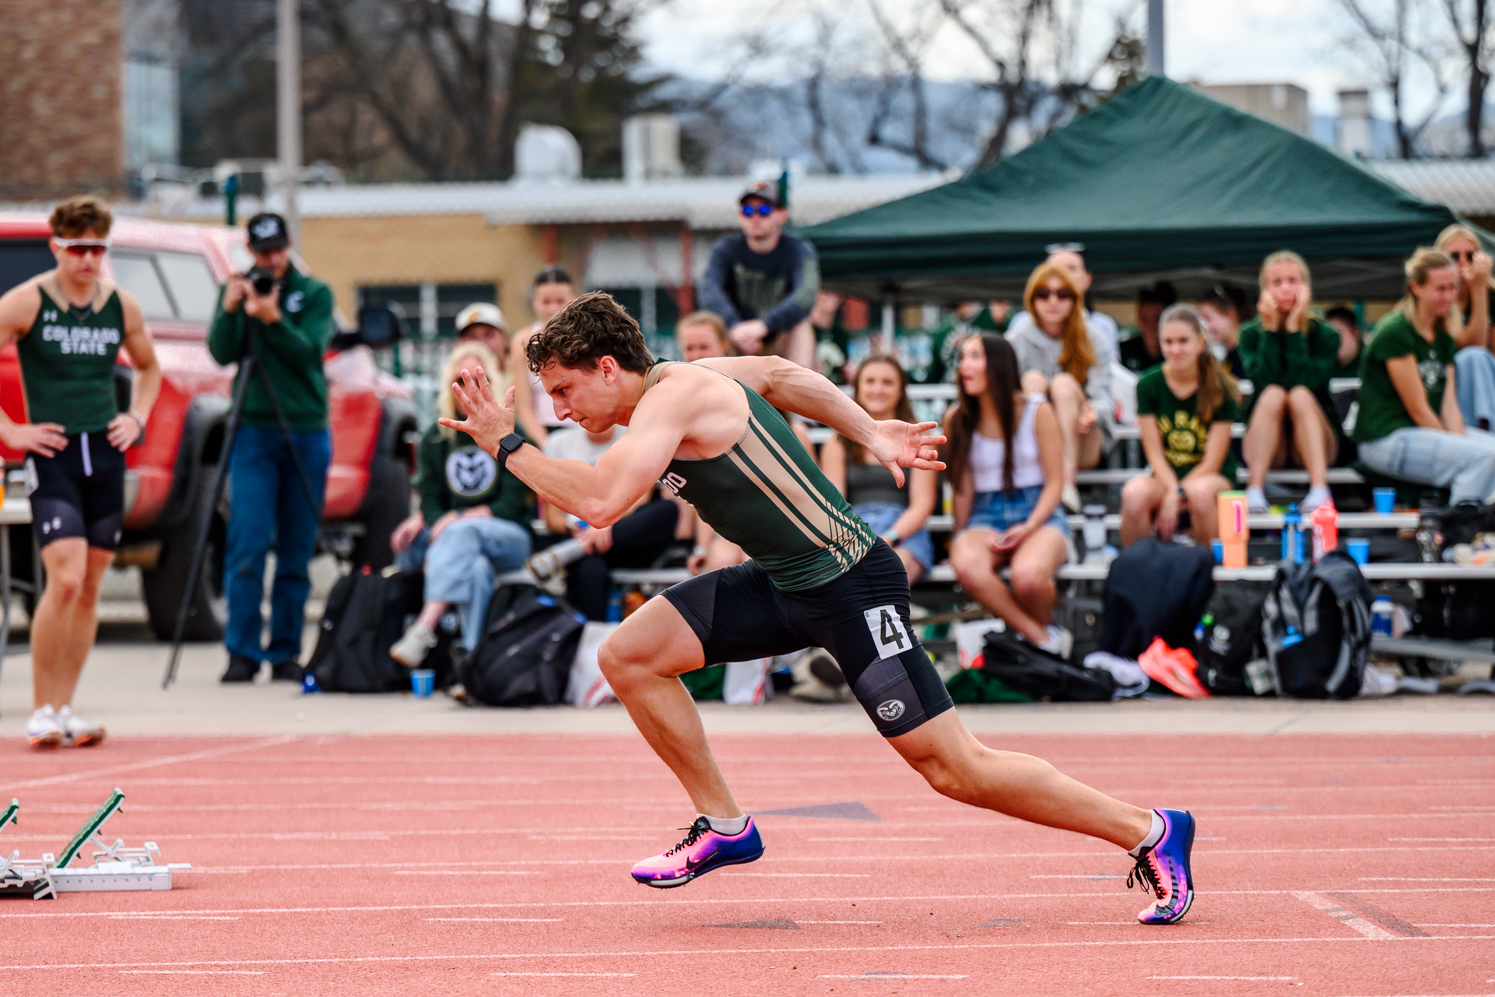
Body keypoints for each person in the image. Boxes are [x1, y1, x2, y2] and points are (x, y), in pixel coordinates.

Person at [442, 291, 1196, 925]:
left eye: (566, 390)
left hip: (849, 584)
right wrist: (868, 429)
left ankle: (1150, 829)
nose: (561, 408)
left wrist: (507, 445)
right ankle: (727, 825)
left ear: (609, 367)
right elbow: (776, 372)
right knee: (629, 655)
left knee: (954, 768)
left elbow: (602, 501)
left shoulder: (672, 398)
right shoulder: (686, 376)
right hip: (782, 582)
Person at [0, 195, 161, 748]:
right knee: (64, 578)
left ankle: (66, 707)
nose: (88, 260)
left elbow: (148, 366)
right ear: (57, 247)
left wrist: (136, 417)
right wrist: (12, 431)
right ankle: (40, 708)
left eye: (97, 248)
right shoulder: (26, 303)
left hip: (105, 453)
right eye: (78, 249)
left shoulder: (122, 306)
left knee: (91, 586)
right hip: (54, 453)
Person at [208, 212, 335, 684]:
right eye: (262, 252)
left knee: (296, 546)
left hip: (305, 428)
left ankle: (285, 650)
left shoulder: (315, 292)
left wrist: (275, 320)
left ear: (287, 247)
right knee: (248, 539)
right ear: (251, 252)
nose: (271, 260)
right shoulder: (242, 287)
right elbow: (222, 352)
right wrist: (230, 309)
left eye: (278, 250)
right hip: (254, 429)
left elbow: (308, 352)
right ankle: (241, 650)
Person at [388, 342, 532, 665]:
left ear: (489, 384)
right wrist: (445, 519)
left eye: (475, 380)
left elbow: (512, 503)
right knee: (476, 568)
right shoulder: (436, 437)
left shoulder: (511, 432)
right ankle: (471, 660)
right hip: (460, 544)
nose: (467, 389)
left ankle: (425, 626)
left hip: (510, 537)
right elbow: (430, 498)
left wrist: (460, 518)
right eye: (459, 379)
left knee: (460, 532)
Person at [945, 335, 1074, 657]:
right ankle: (1043, 642)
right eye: (963, 358)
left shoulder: (1037, 410)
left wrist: (1029, 527)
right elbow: (962, 490)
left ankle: (1028, 651)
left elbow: (1056, 483)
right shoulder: (956, 418)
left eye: (974, 357)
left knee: (1029, 576)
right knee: (967, 565)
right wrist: (960, 537)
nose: (964, 367)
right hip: (985, 512)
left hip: (1039, 510)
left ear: (999, 364)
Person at [1353, 247, 1495, 504]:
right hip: (1385, 438)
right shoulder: (1396, 331)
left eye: (1452, 288)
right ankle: (1459, 532)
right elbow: (1419, 409)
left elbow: (1449, 405)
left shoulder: (1442, 334)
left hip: (1421, 433)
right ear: (1416, 287)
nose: (1449, 296)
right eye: (1440, 289)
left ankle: (1483, 530)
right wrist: (1459, 450)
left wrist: (1459, 443)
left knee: (1488, 452)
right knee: (1482, 458)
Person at [1120, 306, 1241, 546]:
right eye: (1168, 342)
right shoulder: (1147, 384)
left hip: (1211, 476)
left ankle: (1209, 573)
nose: (1175, 349)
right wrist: (1174, 489)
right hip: (1166, 474)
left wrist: (1177, 494)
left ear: (1200, 342)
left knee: (1201, 494)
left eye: (1183, 341)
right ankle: (1138, 573)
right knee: (1134, 495)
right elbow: (1154, 454)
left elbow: (1213, 461)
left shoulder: (1221, 387)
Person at [542, 422, 682, 622]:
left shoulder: (635, 437)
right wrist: (575, 527)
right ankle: (591, 642)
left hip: (621, 533)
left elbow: (641, 497)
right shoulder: (558, 443)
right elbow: (552, 517)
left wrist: (606, 524)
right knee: (590, 568)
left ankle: (584, 545)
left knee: (666, 509)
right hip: (578, 535)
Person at [1006, 261, 1116, 512]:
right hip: (1033, 444)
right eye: (1043, 294)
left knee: (1063, 385)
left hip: (1083, 439)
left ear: (1074, 299)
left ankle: (1066, 484)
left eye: (1062, 294)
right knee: (1033, 380)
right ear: (1031, 299)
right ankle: (1034, 482)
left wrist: (1094, 413)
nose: (1053, 301)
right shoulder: (1017, 340)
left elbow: (1105, 399)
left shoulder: (1092, 338)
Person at [819, 356, 937, 584]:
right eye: (870, 381)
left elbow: (923, 503)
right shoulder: (837, 443)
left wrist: (889, 537)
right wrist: (857, 540)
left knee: (890, 574)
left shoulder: (919, 439)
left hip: (905, 533)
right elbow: (834, 504)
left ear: (901, 390)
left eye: (887, 382)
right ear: (858, 388)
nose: (877, 389)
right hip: (854, 529)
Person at [1238, 251, 1341, 513]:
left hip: (1315, 440)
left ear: (1306, 286)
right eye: (1277, 282)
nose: (1286, 289)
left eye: (1293, 280)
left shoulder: (1325, 334)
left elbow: (1308, 380)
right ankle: (1255, 489)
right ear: (1264, 290)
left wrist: (1294, 329)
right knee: (1273, 393)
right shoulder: (1251, 334)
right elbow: (1262, 379)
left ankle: (1320, 488)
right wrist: (1272, 331)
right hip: (1269, 446)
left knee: (1300, 394)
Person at [698, 180, 819, 370]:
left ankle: (798, 388)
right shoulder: (726, 248)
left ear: (782, 215)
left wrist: (764, 326)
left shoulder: (798, 249)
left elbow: (806, 295)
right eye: (748, 211)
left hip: (778, 336)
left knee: (801, 327)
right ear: (740, 216)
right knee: (705, 328)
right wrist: (734, 326)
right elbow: (709, 290)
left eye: (764, 211)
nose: (755, 217)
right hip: (734, 337)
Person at [1005, 246, 1119, 360]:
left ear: (1087, 279)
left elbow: (1109, 371)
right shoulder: (1021, 325)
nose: (1064, 275)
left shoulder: (1101, 328)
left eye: (1071, 269)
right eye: (1044, 294)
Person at [1434, 225, 1495, 430]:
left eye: (1471, 255)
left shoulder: (1491, 293)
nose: (1463, 262)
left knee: (1480, 361)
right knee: (1473, 358)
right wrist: (1478, 290)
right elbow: (1471, 345)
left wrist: (1481, 290)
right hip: (1443, 380)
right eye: (1454, 256)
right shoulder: (1437, 299)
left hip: (1486, 382)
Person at [510, 267, 578, 448]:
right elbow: (524, 406)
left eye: (560, 301)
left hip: (583, 428)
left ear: (573, 299)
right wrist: (546, 444)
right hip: (542, 431)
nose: (553, 308)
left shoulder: (587, 338)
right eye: (546, 302)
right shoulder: (521, 341)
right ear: (534, 302)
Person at [1119, 282, 1179, 372]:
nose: (1150, 327)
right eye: (1144, 319)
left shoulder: (1178, 353)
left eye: (1157, 319)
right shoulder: (1123, 351)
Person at [455, 302, 510, 392]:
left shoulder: (525, 377)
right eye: (471, 337)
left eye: (489, 335)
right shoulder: (450, 381)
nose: (480, 343)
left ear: (505, 338)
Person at [1197, 284, 1248, 377]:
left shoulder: (1249, 354)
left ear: (1230, 313)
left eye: (1207, 318)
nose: (1206, 327)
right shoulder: (1228, 357)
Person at [1325, 306, 1363, 379]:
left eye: (1338, 333)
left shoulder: (1368, 363)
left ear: (1355, 332)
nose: (1333, 340)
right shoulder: (1324, 363)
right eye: (1328, 335)